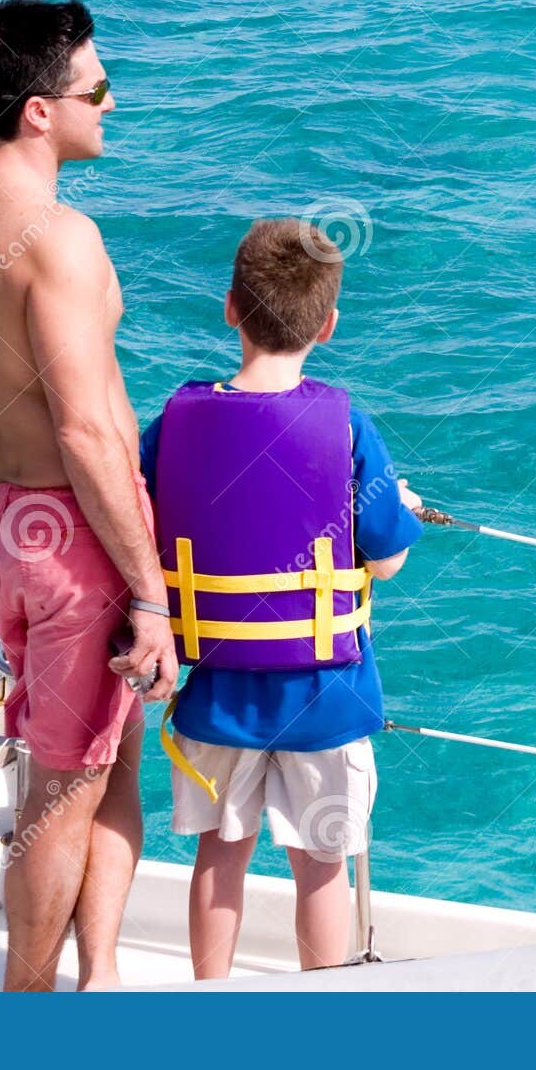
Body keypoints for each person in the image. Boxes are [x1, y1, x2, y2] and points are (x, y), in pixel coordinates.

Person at [0, 0, 177, 992]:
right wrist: (149, 593)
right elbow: (85, 429)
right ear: (38, 111)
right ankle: (25, 1010)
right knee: (60, 794)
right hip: (75, 538)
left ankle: (98, 976)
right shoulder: (61, 238)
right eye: (96, 90)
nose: (112, 104)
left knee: (104, 758)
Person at [137, 217, 422, 977]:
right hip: (325, 695)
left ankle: (210, 999)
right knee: (321, 867)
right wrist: (399, 505)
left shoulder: (172, 426)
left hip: (217, 692)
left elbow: (145, 524)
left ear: (231, 308)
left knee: (219, 854)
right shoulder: (349, 429)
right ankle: (319, 1008)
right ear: (328, 325)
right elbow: (387, 561)